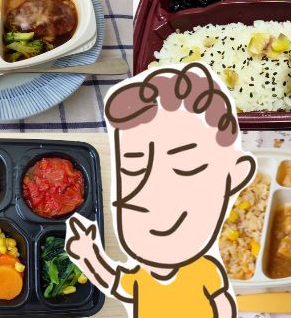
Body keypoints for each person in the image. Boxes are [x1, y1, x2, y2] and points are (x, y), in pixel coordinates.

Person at [66, 62, 256, 318]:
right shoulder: (142, 276)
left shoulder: (203, 270)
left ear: (234, 175)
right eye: (134, 168)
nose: (147, 197)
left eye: (185, 166)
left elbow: (221, 303)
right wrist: (88, 255)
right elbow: (114, 281)